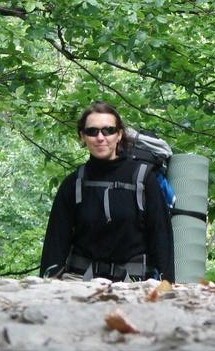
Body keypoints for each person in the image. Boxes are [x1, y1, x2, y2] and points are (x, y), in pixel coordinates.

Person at [40, 101, 174, 282]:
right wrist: (47, 284)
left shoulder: (144, 179)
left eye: (108, 130)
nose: (100, 137)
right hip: (79, 282)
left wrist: (166, 285)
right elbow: (55, 243)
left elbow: (162, 237)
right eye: (92, 131)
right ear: (82, 136)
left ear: (119, 135)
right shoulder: (74, 183)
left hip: (133, 283)